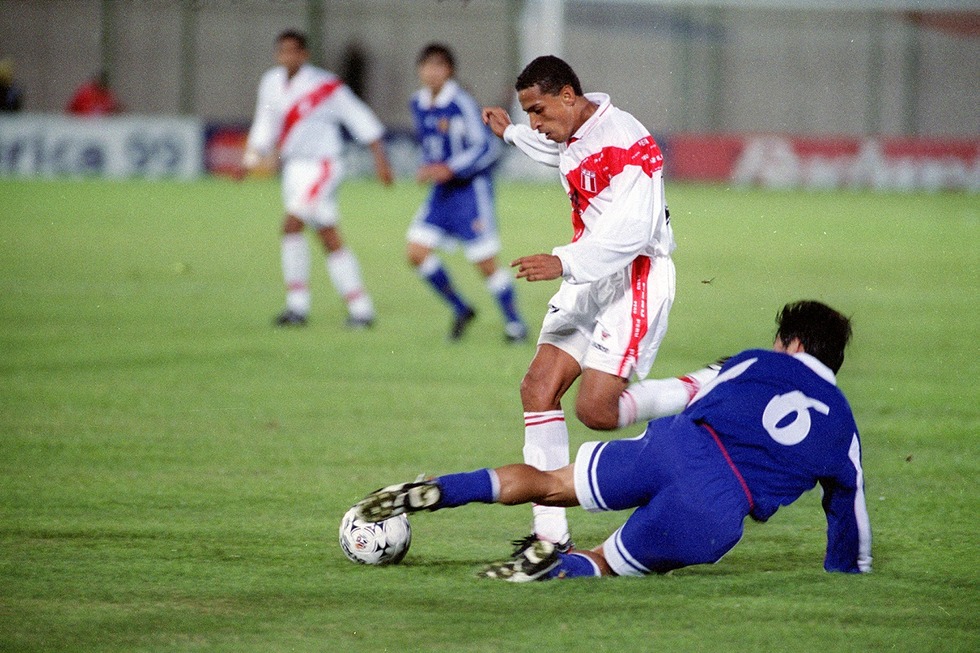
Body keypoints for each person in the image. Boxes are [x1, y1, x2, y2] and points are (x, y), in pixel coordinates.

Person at [354, 300, 873, 582]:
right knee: (600, 563)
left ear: (794, 343)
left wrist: (622, 407)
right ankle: (535, 572)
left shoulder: (757, 361)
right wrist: (848, 568)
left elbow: (683, 390)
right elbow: (848, 510)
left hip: (674, 447)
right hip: (717, 505)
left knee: (550, 483)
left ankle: (438, 489)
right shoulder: (843, 425)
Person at [481, 55, 695, 550]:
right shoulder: (574, 132)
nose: (537, 122)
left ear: (568, 96)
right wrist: (513, 134)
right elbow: (560, 152)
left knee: (596, 411)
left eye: (538, 110)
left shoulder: (627, 141)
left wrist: (563, 261)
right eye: (529, 113)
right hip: (587, 274)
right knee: (538, 388)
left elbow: (636, 233)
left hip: (633, 275)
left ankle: (699, 390)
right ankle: (549, 537)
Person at [242, 30, 393, 328]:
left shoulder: (324, 85)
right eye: (282, 51)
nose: (288, 57)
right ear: (277, 55)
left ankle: (297, 306)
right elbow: (266, 121)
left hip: (323, 166)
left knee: (291, 225)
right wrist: (250, 160)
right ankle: (360, 309)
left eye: (293, 51)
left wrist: (380, 161)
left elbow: (358, 116)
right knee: (327, 235)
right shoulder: (271, 82)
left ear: (304, 54)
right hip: (294, 169)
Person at [407, 43, 527, 342]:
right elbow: (432, 144)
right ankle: (461, 308)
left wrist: (449, 167)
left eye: (438, 66)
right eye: (427, 66)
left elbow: (485, 146)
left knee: (484, 263)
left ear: (449, 71)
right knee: (416, 253)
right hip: (441, 194)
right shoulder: (418, 103)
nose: (431, 72)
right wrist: (429, 167)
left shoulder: (461, 103)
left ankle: (515, 325)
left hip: (470, 192)